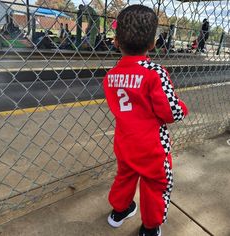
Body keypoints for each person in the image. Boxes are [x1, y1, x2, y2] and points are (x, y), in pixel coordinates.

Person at [103, 5, 188, 236]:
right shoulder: (154, 72)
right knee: (157, 184)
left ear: (117, 42)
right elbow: (170, 111)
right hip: (151, 146)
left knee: (125, 176)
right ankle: (150, 228)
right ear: (152, 44)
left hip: (125, 141)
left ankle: (119, 211)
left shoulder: (111, 76)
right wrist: (182, 109)